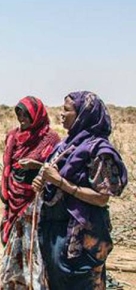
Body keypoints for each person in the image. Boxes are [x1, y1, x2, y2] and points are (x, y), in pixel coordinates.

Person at [33, 91, 128, 289]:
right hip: (55, 230)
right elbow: (52, 179)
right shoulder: (65, 145)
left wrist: (61, 183)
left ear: (83, 115)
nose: (61, 114)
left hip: (82, 235)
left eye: (67, 110)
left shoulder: (98, 151)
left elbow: (102, 198)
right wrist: (42, 183)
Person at [0, 96, 60, 288]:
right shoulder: (12, 136)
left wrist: (36, 165)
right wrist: (6, 192)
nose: (22, 118)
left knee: (34, 249)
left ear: (37, 116)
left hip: (36, 202)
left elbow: (57, 169)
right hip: (14, 198)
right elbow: (7, 167)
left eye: (26, 114)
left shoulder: (50, 139)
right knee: (15, 246)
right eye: (19, 114)